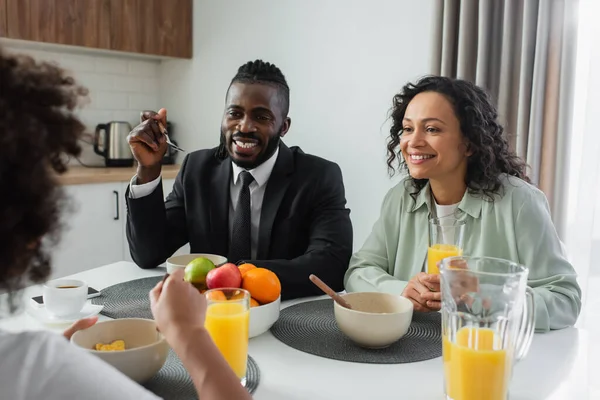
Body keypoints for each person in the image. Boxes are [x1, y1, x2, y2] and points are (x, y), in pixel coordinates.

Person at [0, 47, 251, 400]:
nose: (245, 126)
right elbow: (148, 252)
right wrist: (188, 334)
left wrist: (55, 364)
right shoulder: (32, 365)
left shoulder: (33, 364)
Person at [344, 76, 581, 332]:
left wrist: (483, 298)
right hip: (410, 350)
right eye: (408, 128)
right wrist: (401, 290)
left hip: (487, 353)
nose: (413, 141)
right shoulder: (401, 198)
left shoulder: (519, 202)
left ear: (469, 144)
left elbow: (565, 299)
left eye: (432, 129)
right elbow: (359, 271)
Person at [125, 60, 353, 300]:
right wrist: (147, 169)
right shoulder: (197, 169)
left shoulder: (318, 176)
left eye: (262, 117)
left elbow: (331, 266)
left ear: (283, 127)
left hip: (283, 315)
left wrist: (236, 277)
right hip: (210, 318)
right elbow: (148, 254)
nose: (244, 126)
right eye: (234, 113)